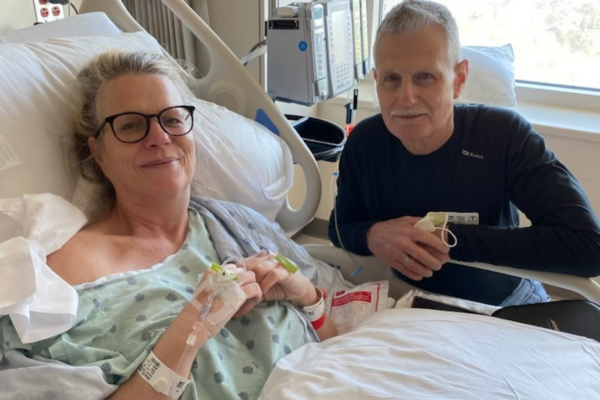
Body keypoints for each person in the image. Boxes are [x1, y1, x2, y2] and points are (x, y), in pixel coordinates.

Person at [0, 51, 337, 400]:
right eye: (130, 125)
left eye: (172, 120)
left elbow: (336, 348)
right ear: (98, 152)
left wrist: (307, 295)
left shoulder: (241, 225)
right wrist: (193, 325)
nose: (159, 137)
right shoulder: (60, 274)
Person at [328, 0, 600, 306]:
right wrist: (373, 234)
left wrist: (449, 239)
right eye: (392, 79)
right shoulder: (365, 143)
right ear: (377, 82)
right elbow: (340, 227)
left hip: (503, 304)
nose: (406, 98)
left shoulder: (504, 136)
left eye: (425, 77)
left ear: (458, 79)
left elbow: (588, 248)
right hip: (408, 303)